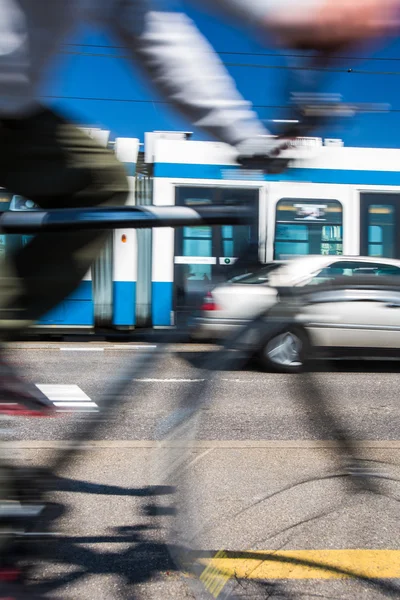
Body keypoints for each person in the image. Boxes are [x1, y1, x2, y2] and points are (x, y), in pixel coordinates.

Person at [0, 0, 397, 413]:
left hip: (13, 108)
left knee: (98, 182)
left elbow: (159, 35)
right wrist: (294, 14)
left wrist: (245, 137)